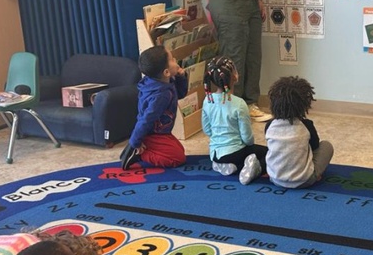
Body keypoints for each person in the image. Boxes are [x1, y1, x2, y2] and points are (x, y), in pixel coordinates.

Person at [202, 56, 268, 185]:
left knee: (238, 154)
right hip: (235, 152)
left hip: (215, 153)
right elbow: (247, 139)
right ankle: (253, 169)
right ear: (235, 77)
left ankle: (225, 165)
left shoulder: (207, 100)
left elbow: (207, 130)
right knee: (267, 153)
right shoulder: (239, 104)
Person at [120, 45, 189, 170]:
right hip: (151, 134)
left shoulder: (164, 81)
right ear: (166, 72)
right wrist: (135, 142)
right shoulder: (160, 96)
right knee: (178, 158)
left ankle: (145, 147)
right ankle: (140, 154)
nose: (175, 61)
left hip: (162, 132)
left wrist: (181, 77)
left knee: (179, 149)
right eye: (172, 59)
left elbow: (180, 94)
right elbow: (146, 119)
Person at [264, 76, 334, 189]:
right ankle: (314, 174)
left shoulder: (269, 125)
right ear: (304, 104)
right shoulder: (307, 125)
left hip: (275, 179)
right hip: (305, 181)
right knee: (326, 145)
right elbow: (315, 146)